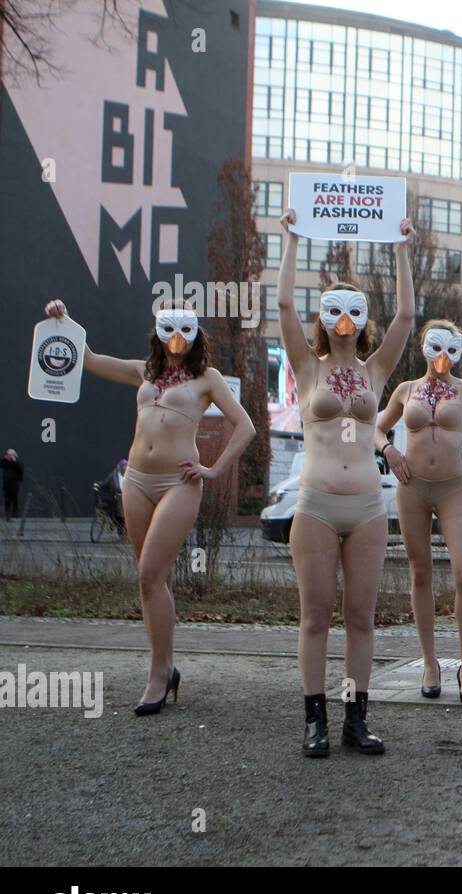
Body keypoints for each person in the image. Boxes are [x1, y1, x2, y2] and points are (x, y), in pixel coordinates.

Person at [40, 298, 255, 714]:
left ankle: (158, 675)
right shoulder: (146, 371)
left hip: (179, 482)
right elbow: (89, 360)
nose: (176, 340)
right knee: (151, 582)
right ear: (158, 332)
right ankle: (166, 667)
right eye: (168, 331)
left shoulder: (207, 378)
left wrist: (213, 469)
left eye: (185, 331)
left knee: (149, 573)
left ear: (195, 335)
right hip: (135, 480)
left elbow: (245, 425)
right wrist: (64, 320)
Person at [277, 209, 415, 757]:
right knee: (315, 616)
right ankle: (316, 720)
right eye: (334, 309)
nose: (344, 319)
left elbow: (406, 314)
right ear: (324, 317)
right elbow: (284, 304)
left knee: (361, 616)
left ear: (361, 320)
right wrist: (290, 240)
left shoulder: (375, 371)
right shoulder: (306, 366)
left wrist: (403, 247)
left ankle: (357, 719)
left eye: (353, 310)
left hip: (367, 507)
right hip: (314, 505)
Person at [374, 319, 462, 705]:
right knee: (420, 572)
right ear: (423, 347)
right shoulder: (405, 390)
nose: (444, 357)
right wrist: (389, 450)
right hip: (412, 488)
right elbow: (376, 429)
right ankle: (430, 663)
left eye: (452, 349)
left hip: (452, 489)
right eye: (436, 347)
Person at [2, 449, 22, 519]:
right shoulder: (5, 462)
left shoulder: (17, 461)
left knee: (14, 500)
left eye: (10, 454)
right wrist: (5, 459)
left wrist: (14, 460)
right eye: (8, 454)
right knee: (7, 500)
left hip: (14, 485)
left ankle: (15, 515)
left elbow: (20, 469)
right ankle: (7, 515)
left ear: (14, 455)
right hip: (6, 484)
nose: (9, 456)